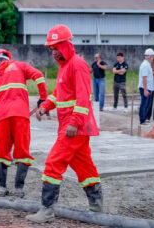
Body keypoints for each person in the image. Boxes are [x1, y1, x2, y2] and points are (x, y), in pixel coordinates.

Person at [26, 25, 102, 223]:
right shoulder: (64, 67)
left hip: (74, 127)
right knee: (84, 166)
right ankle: (96, 204)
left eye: (55, 47)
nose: (53, 52)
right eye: (50, 49)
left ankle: (47, 210)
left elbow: (83, 97)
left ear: (66, 45)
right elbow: (60, 94)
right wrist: (46, 106)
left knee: (53, 163)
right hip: (72, 126)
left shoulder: (77, 64)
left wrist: (74, 123)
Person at [0, 49, 48, 198]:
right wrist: (43, 99)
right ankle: (18, 189)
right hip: (20, 114)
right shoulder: (21, 66)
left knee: (2, 151)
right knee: (22, 151)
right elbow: (39, 76)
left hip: (1, 116)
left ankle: (1, 188)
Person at [138, 49, 154, 125]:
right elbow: (144, 78)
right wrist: (145, 89)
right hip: (144, 88)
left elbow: (149, 78)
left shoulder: (148, 64)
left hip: (148, 88)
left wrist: (151, 88)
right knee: (144, 104)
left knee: (147, 104)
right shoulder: (145, 65)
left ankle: (144, 119)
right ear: (150, 56)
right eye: (153, 56)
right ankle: (142, 120)